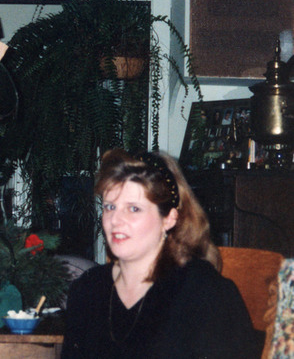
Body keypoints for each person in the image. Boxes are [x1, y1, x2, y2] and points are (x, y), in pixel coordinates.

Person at [62, 149, 260, 359]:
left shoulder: (203, 290)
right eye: (110, 207)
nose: (115, 220)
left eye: (134, 209)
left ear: (169, 219)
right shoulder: (88, 289)